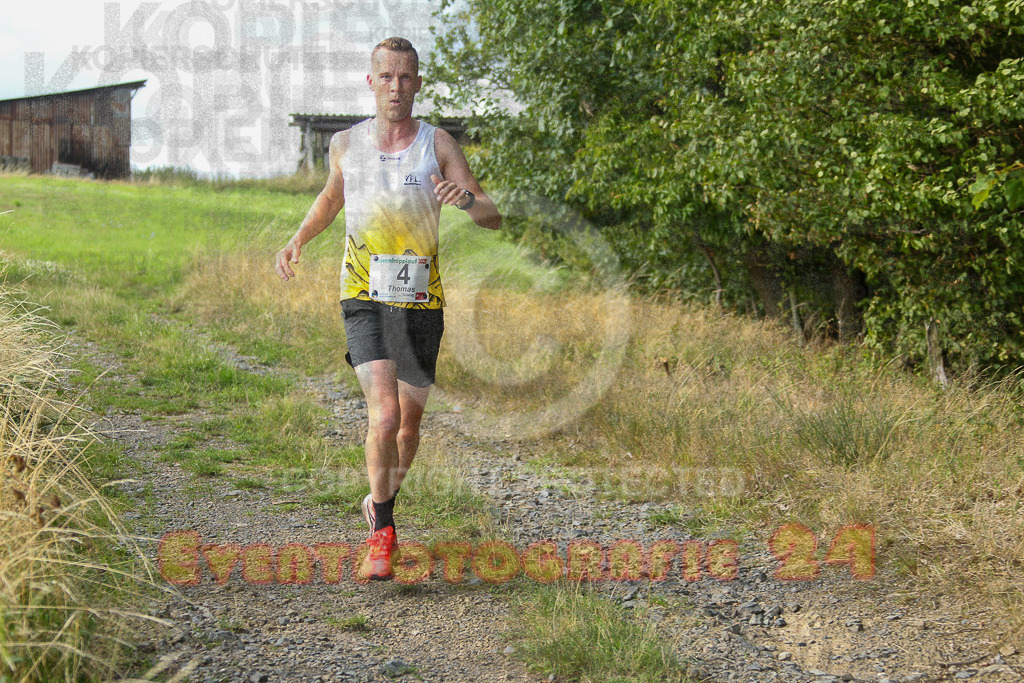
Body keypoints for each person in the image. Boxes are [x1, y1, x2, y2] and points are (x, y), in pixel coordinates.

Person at [274, 37, 501, 581]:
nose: (396, 87)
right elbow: (331, 198)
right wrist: (298, 239)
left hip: (423, 303)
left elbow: (493, 216)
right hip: (364, 297)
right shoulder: (346, 144)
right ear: (371, 82)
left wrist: (466, 200)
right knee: (386, 415)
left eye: (406, 77)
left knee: (408, 429)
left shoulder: (438, 144)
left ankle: (376, 503)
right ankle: (383, 535)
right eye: (387, 77)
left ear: (418, 84)